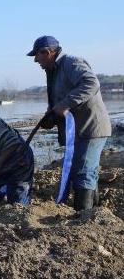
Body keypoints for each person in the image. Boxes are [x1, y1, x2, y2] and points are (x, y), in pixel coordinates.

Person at [27, 35, 111, 210]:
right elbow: (59, 102)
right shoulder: (53, 71)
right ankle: (92, 213)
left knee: (83, 171)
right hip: (79, 131)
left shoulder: (71, 63)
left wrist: (64, 104)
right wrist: (51, 117)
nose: (36, 60)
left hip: (90, 128)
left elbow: (91, 83)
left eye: (37, 55)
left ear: (48, 52)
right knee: (84, 171)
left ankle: (83, 216)